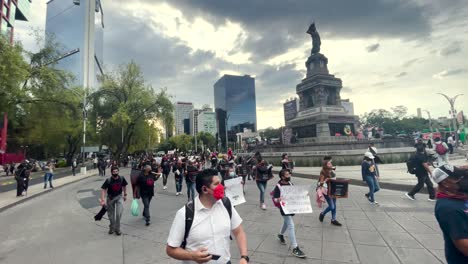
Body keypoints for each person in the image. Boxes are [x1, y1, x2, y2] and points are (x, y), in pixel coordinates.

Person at [166, 168, 249, 264]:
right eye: (217, 184)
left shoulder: (226, 204)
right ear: (205, 189)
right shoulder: (185, 214)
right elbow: (170, 249)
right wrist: (191, 256)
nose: (222, 187)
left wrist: (244, 257)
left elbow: (239, 232)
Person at [432, 164, 468, 263]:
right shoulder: (448, 208)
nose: (463, 179)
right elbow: (464, 245)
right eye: (458, 178)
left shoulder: (460, 196)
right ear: (446, 183)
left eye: (463, 176)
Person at [273, 169, 307, 258]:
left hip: (290, 208)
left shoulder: (291, 184)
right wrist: (278, 199)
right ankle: (295, 247)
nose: (289, 176)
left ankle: (280, 235)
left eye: (289, 174)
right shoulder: (278, 186)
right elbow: (274, 198)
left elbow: (295, 194)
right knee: (291, 225)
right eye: (287, 175)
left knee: (286, 223)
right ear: (283, 177)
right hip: (284, 209)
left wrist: (304, 195)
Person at [100, 166, 128, 235]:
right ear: (111, 172)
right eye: (114, 172)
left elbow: (124, 186)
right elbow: (103, 189)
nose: (115, 173)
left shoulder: (121, 178)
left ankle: (117, 229)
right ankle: (112, 226)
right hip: (110, 198)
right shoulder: (108, 180)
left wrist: (125, 194)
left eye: (116, 171)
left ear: (118, 172)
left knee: (118, 213)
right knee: (111, 216)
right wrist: (103, 199)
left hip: (119, 197)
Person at [318, 159, 342, 225]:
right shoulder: (323, 172)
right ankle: (322, 213)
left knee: (334, 205)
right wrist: (326, 180)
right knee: (332, 206)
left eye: (331, 163)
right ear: (325, 165)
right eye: (329, 164)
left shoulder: (331, 170)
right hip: (326, 190)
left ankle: (333, 219)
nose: (331, 164)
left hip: (333, 189)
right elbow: (320, 183)